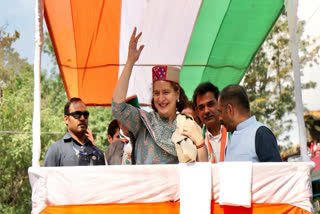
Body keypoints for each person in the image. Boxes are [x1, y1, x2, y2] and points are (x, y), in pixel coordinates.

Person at [112, 28, 207, 164]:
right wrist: (130, 62)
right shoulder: (143, 122)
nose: (161, 99)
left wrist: (199, 142)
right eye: (157, 93)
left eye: (166, 92)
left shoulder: (187, 124)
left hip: (177, 185)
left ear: (177, 93)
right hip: (146, 185)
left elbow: (202, 170)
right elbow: (117, 107)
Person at [218, 84, 282, 162]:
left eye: (220, 112)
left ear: (229, 109)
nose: (219, 118)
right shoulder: (231, 140)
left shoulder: (261, 134)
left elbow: (276, 172)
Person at [43, 97, 105, 166]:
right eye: (77, 114)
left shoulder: (97, 153)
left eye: (85, 115)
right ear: (66, 119)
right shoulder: (55, 151)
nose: (82, 118)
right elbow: (47, 176)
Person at [193, 82, 228, 163]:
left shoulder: (233, 134)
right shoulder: (196, 142)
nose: (206, 111)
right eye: (201, 107)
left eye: (210, 104)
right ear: (197, 112)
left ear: (219, 104)